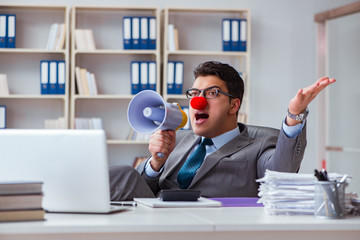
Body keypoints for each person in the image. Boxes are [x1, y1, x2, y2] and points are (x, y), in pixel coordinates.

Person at [109, 61, 335, 200]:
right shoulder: (180, 141)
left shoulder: (258, 147)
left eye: (212, 93)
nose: (198, 102)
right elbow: (141, 192)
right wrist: (155, 164)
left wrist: (294, 115)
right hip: (155, 223)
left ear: (234, 105)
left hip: (209, 228)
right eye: (195, 94)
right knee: (123, 175)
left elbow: (281, 172)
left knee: (123, 174)